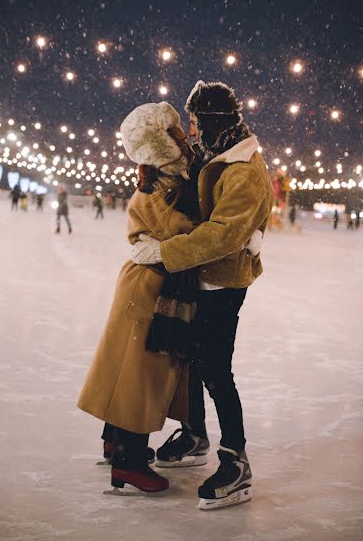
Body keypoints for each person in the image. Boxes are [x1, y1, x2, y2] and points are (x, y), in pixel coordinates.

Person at [131, 81, 274, 510]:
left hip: (224, 281)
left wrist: (165, 251)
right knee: (191, 359)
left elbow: (224, 234)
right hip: (200, 276)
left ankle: (236, 459)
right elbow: (188, 180)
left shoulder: (245, 168)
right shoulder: (217, 153)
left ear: (212, 122)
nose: (191, 132)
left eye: (194, 123)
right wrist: (151, 178)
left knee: (214, 368)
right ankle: (195, 433)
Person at [77, 102, 199, 494]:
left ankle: (116, 442)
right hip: (149, 287)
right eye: (176, 133)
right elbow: (183, 232)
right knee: (140, 374)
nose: (186, 137)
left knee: (126, 366)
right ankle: (128, 461)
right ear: (160, 143)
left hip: (148, 283)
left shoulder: (163, 180)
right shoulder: (164, 187)